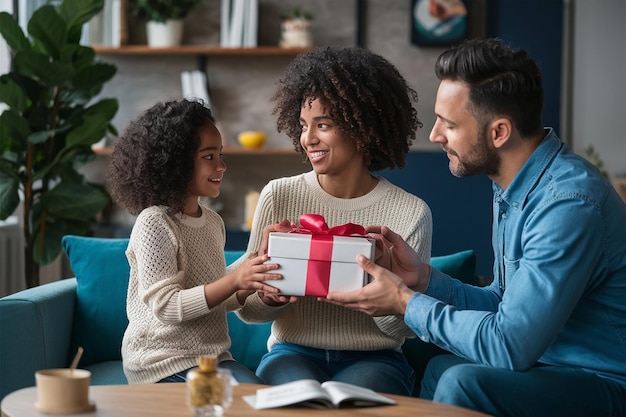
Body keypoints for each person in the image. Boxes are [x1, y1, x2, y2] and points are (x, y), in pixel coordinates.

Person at [323, 38, 626, 416]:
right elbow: (503, 304)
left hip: (603, 380)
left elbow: (509, 345)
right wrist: (422, 279)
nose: (434, 135)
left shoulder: (567, 204)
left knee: (461, 382)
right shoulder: (513, 186)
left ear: (498, 132)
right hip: (551, 367)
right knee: (440, 368)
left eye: (448, 124)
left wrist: (404, 301)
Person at [232, 46, 433, 396]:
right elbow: (248, 310)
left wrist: (384, 297)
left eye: (323, 125)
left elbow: (405, 328)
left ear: (363, 127)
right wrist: (268, 298)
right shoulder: (278, 196)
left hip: (376, 359)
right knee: (294, 402)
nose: (308, 139)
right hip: (291, 351)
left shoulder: (410, 212)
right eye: (303, 126)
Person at [106, 99, 282, 385]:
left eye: (220, 155)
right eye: (209, 156)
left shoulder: (212, 222)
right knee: (252, 400)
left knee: (260, 397)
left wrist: (256, 262)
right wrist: (235, 280)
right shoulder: (154, 223)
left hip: (212, 358)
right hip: (161, 363)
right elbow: (168, 308)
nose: (222, 166)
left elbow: (210, 298)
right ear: (174, 161)